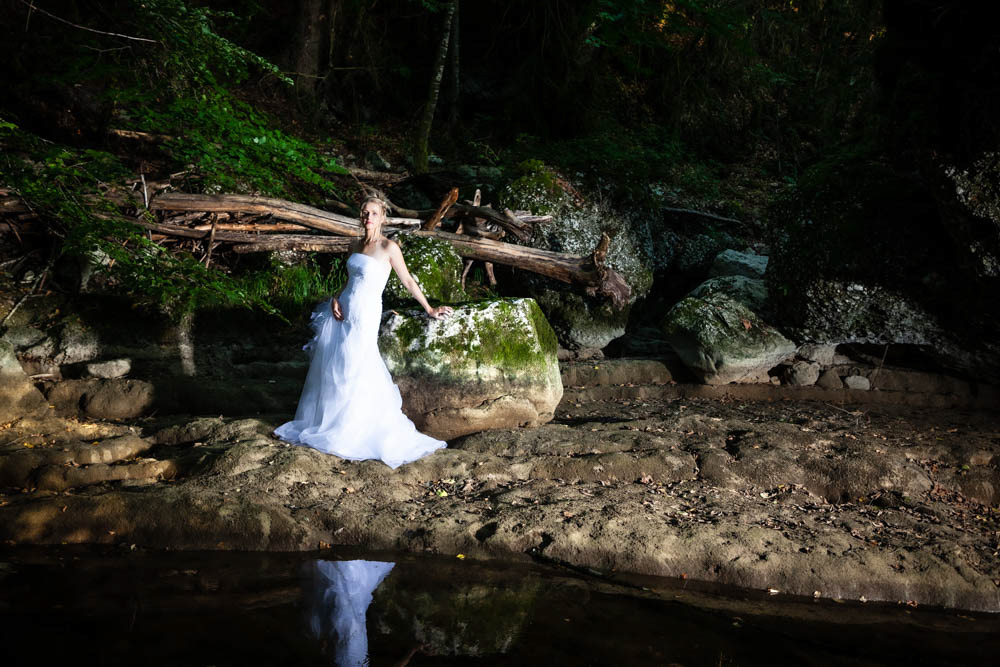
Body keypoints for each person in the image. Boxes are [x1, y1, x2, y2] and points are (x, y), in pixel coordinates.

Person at [274, 196, 452, 468]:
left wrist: (429, 308)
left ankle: (354, 427)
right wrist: (335, 297)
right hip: (344, 309)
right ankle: (332, 421)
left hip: (366, 313)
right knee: (337, 363)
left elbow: (407, 280)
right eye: (364, 212)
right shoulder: (355, 244)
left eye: (373, 213)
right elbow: (349, 280)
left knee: (357, 362)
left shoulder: (388, 247)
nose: (367, 217)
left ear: (383, 218)